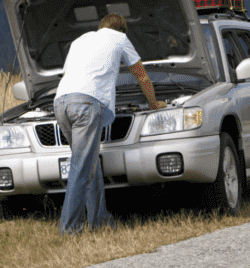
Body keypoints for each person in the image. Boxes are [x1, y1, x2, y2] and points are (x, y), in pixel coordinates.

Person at [54, 12, 167, 234]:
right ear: (121, 29)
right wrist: (154, 104)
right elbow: (141, 75)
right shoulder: (120, 39)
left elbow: (69, 74)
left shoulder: (80, 41)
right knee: (81, 167)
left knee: (89, 164)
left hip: (61, 103)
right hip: (87, 104)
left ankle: (100, 220)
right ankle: (69, 229)